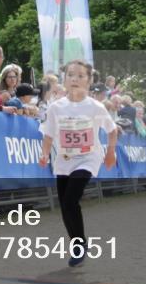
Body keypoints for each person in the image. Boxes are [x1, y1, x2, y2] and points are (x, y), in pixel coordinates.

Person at [39, 60, 118, 267]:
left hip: (88, 158)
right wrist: (44, 154)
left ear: (89, 81)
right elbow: (48, 136)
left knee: (72, 199)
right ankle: (78, 243)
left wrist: (111, 152)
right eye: (71, 75)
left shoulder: (96, 107)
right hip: (64, 160)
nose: (75, 79)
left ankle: (79, 245)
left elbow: (112, 131)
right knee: (65, 204)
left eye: (81, 76)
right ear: (64, 79)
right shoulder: (56, 108)